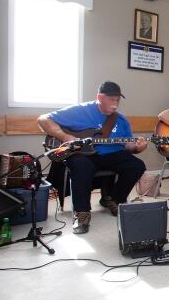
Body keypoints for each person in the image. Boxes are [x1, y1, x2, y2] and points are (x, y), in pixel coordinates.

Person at [38, 81, 147, 234]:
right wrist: (65, 136)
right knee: (82, 165)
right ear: (99, 97)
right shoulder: (81, 111)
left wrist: (137, 147)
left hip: (112, 154)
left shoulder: (121, 120)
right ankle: (82, 213)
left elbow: (128, 145)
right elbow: (43, 119)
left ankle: (113, 199)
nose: (115, 104)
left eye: (117, 100)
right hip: (83, 154)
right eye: (111, 99)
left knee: (137, 166)